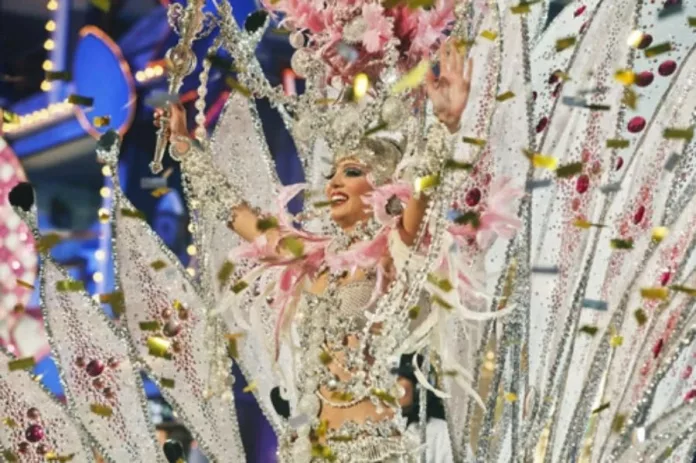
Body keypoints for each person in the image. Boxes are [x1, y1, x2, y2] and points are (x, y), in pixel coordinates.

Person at [156, 39, 482, 462]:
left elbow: (422, 194)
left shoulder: (394, 253)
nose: (333, 184)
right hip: (308, 448)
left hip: (368, 451)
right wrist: (184, 150)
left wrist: (444, 127)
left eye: (351, 172)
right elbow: (238, 215)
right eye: (331, 174)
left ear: (383, 187)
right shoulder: (312, 258)